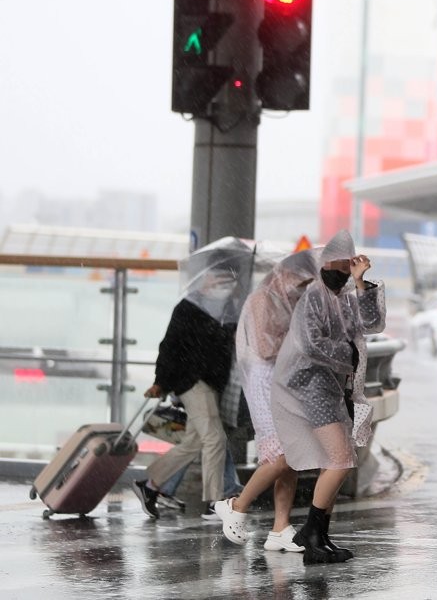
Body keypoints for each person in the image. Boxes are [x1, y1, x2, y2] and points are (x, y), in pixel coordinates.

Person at [221, 230, 385, 565]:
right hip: (294, 385)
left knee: (306, 459)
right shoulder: (296, 297)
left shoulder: (336, 298)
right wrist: (344, 353)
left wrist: (362, 283)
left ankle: (295, 529)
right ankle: (247, 509)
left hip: (323, 385)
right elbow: (292, 346)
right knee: (314, 458)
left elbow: (371, 322)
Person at [131, 245, 250, 520]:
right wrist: (160, 382)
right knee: (214, 437)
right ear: (206, 277)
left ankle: (150, 486)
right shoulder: (189, 306)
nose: (224, 283)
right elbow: (169, 346)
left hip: (213, 383)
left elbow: (228, 349)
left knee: (194, 442)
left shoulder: (230, 311)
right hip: (190, 381)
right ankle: (215, 501)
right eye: (219, 277)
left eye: (229, 278)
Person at [215, 249, 319, 552]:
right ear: (284, 274)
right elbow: (264, 347)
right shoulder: (262, 299)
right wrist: (297, 339)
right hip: (263, 381)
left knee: (292, 458)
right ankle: (236, 505)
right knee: (280, 454)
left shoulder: (292, 301)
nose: (302, 287)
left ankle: (280, 527)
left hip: (285, 381)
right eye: (301, 281)